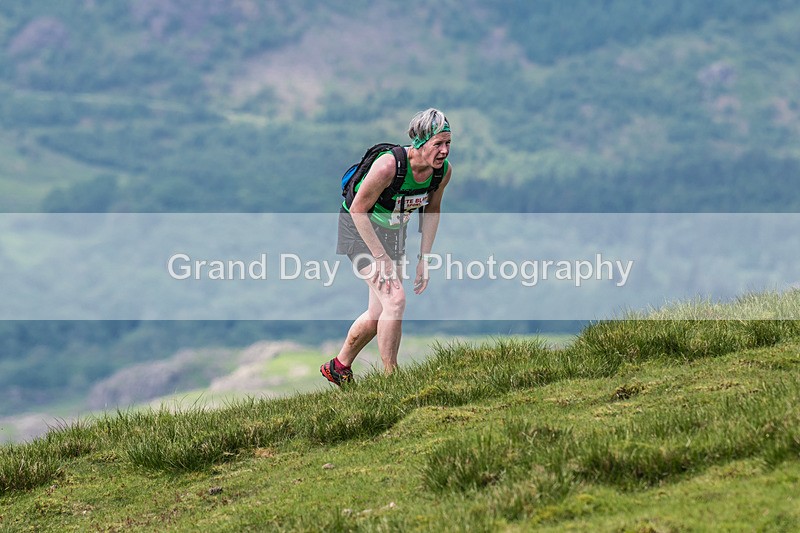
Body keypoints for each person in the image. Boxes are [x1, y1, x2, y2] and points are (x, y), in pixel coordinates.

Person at [320, 108, 453, 386]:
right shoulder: (388, 166)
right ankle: (392, 378)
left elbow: (433, 210)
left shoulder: (441, 173)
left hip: (393, 232)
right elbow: (358, 209)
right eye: (437, 144)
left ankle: (338, 366)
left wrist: (424, 258)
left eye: (448, 143)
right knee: (395, 300)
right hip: (358, 229)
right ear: (419, 142)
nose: (444, 151)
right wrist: (380, 258)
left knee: (380, 312)